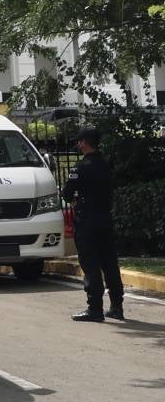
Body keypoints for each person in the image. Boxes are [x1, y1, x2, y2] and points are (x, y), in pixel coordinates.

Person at [62, 127, 124, 322]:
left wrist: (76, 200)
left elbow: (66, 194)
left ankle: (95, 309)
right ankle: (117, 307)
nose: (78, 144)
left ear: (84, 143)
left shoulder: (80, 168)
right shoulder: (106, 164)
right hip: (106, 220)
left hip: (87, 222)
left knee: (90, 266)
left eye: (79, 141)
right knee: (110, 264)